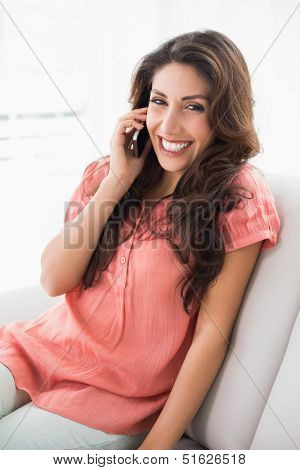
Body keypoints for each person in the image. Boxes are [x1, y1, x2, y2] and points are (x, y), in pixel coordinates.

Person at [0, 29, 281, 450]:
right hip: (36, 348)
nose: (168, 125)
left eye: (194, 107)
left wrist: (156, 448)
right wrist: (116, 182)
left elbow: (212, 334)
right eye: (159, 101)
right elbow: (53, 279)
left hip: (116, 398)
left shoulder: (236, 196)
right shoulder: (110, 170)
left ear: (222, 115)